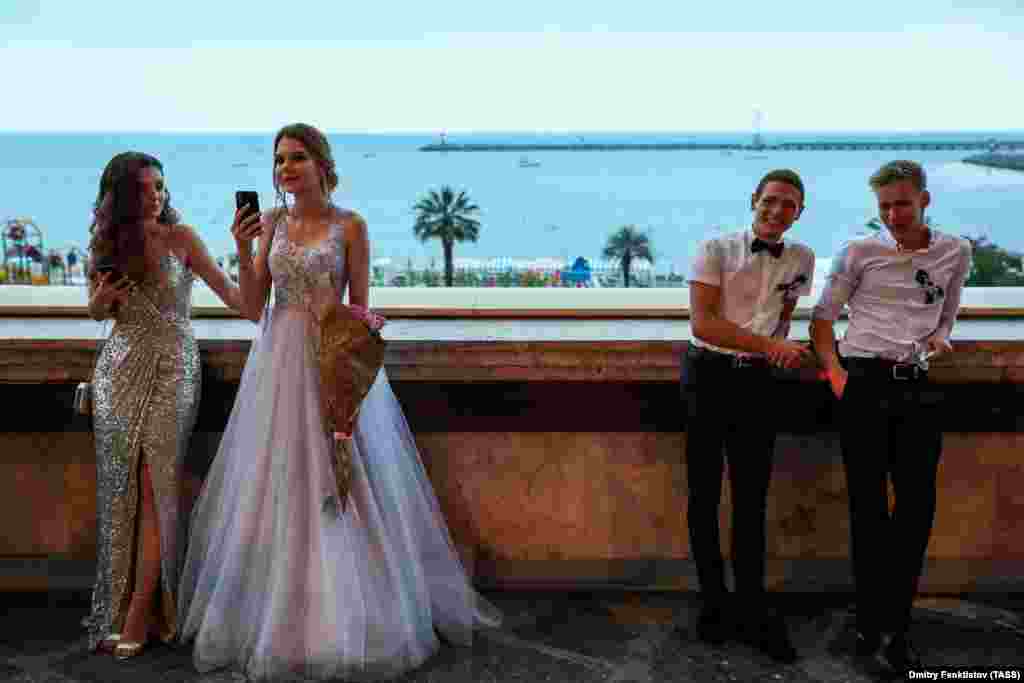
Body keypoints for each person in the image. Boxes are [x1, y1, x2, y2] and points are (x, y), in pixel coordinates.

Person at [177, 123, 501, 681]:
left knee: (340, 482)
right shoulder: (273, 223)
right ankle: (278, 620)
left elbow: (360, 312)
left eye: (297, 157)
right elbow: (255, 308)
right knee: (279, 485)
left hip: (331, 361)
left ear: (321, 163)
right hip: (277, 364)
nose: (286, 169)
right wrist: (240, 245)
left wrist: (348, 378)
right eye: (279, 160)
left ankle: (347, 619)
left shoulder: (351, 226)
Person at [85, 152, 253, 659]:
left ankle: (141, 611)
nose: (157, 195)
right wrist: (101, 301)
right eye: (145, 187)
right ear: (121, 196)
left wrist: (245, 249)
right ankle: (123, 609)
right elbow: (96, 313)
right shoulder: (105, 243)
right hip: (117, 371)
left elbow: (242, 303)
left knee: (160, 487)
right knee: (122, 489)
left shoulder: (183, 239)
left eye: (161, 185)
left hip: (173, 371)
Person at [810, 160, 972, 673]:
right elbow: (821, 319)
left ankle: (898, 624)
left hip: (917, 390)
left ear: (924, 200)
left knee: (916, 511)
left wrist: (939, 339)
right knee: (867, 510)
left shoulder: (955, 251)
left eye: (902, 203)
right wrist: (837, 375)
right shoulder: (859, 251)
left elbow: (946, 315)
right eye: (883, 206)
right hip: (863, 385)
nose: (893, 214)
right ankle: (868, 620)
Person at [681, 169, 815, 663]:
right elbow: (704, 323)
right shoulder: (714, 249)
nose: (778, 210)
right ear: (753, 200)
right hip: (707, 375)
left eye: (789, 205)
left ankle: (752, 607)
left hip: (758, 383)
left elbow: (783, 314)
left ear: (800, 213)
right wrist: (771, 346)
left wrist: (775, 351)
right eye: (771, 201)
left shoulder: (802, 258)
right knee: (703, 491)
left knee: (752, 495)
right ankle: (713, 604)